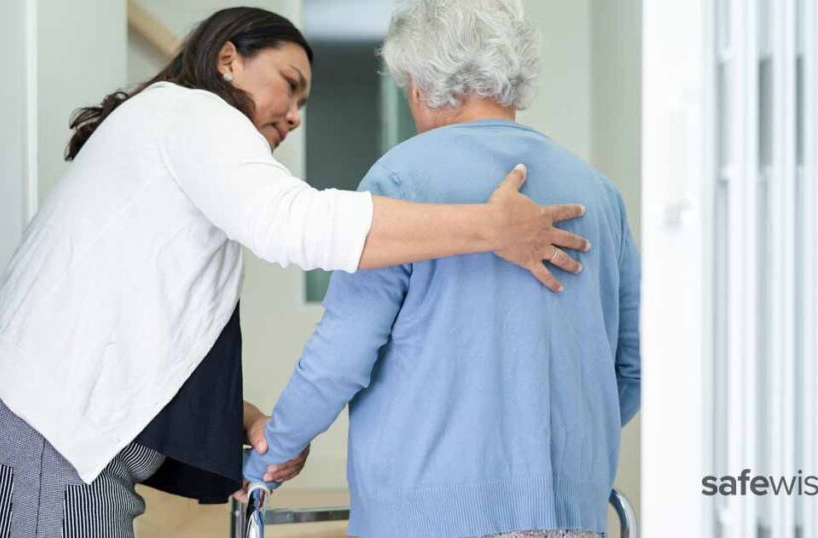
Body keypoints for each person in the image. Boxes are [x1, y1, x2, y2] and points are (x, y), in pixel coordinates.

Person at [0, 6, 592, 537]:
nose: (295, 113)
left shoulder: (174, 138)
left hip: (50, 442)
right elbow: (296, 226)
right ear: (229, 60)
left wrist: (248, 421)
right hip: (41, 443)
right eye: (289, 83)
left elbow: (147, 326)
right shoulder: (192, 113)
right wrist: (489, 226)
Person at [242, 1, 641, 537]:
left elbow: (342, 352)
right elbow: (630, 367)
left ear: (417, 82)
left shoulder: (402, 182)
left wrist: (274, 451)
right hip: (572, 514)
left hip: (424, 519)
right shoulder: (600, 196)